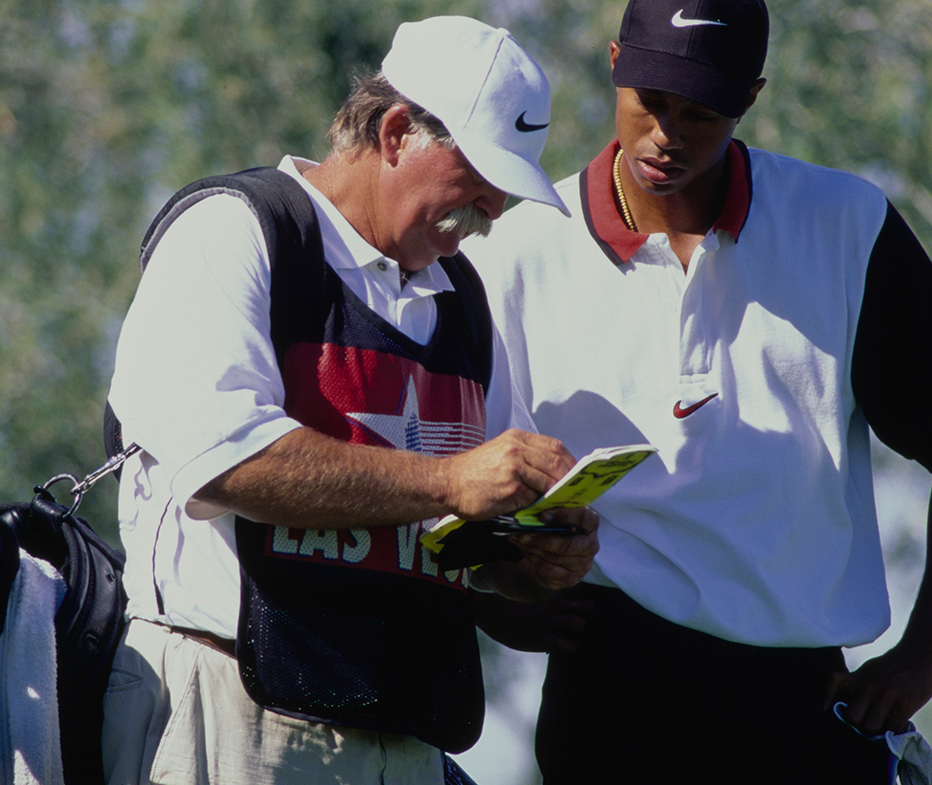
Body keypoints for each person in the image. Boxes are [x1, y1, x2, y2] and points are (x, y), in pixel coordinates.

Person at [463, 0, 932, 781]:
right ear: (616, 63)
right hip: (612, 685)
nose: (667, 134)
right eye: (650, 101)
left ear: (751, 97)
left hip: (801, 692)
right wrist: (490, 596)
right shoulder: (517, 248)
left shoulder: (845, 223)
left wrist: (931, 642)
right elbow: (453, 468)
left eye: (701, 112)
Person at [100, 16, 598, 785]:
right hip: (232, 713)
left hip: (403, 728)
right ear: (397, 132)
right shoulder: (237, 231)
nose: (493, 214)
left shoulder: (460, 297)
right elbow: (224, 463)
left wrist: (529, 556)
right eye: (480, 182)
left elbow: (453, 529)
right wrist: (450, 481)